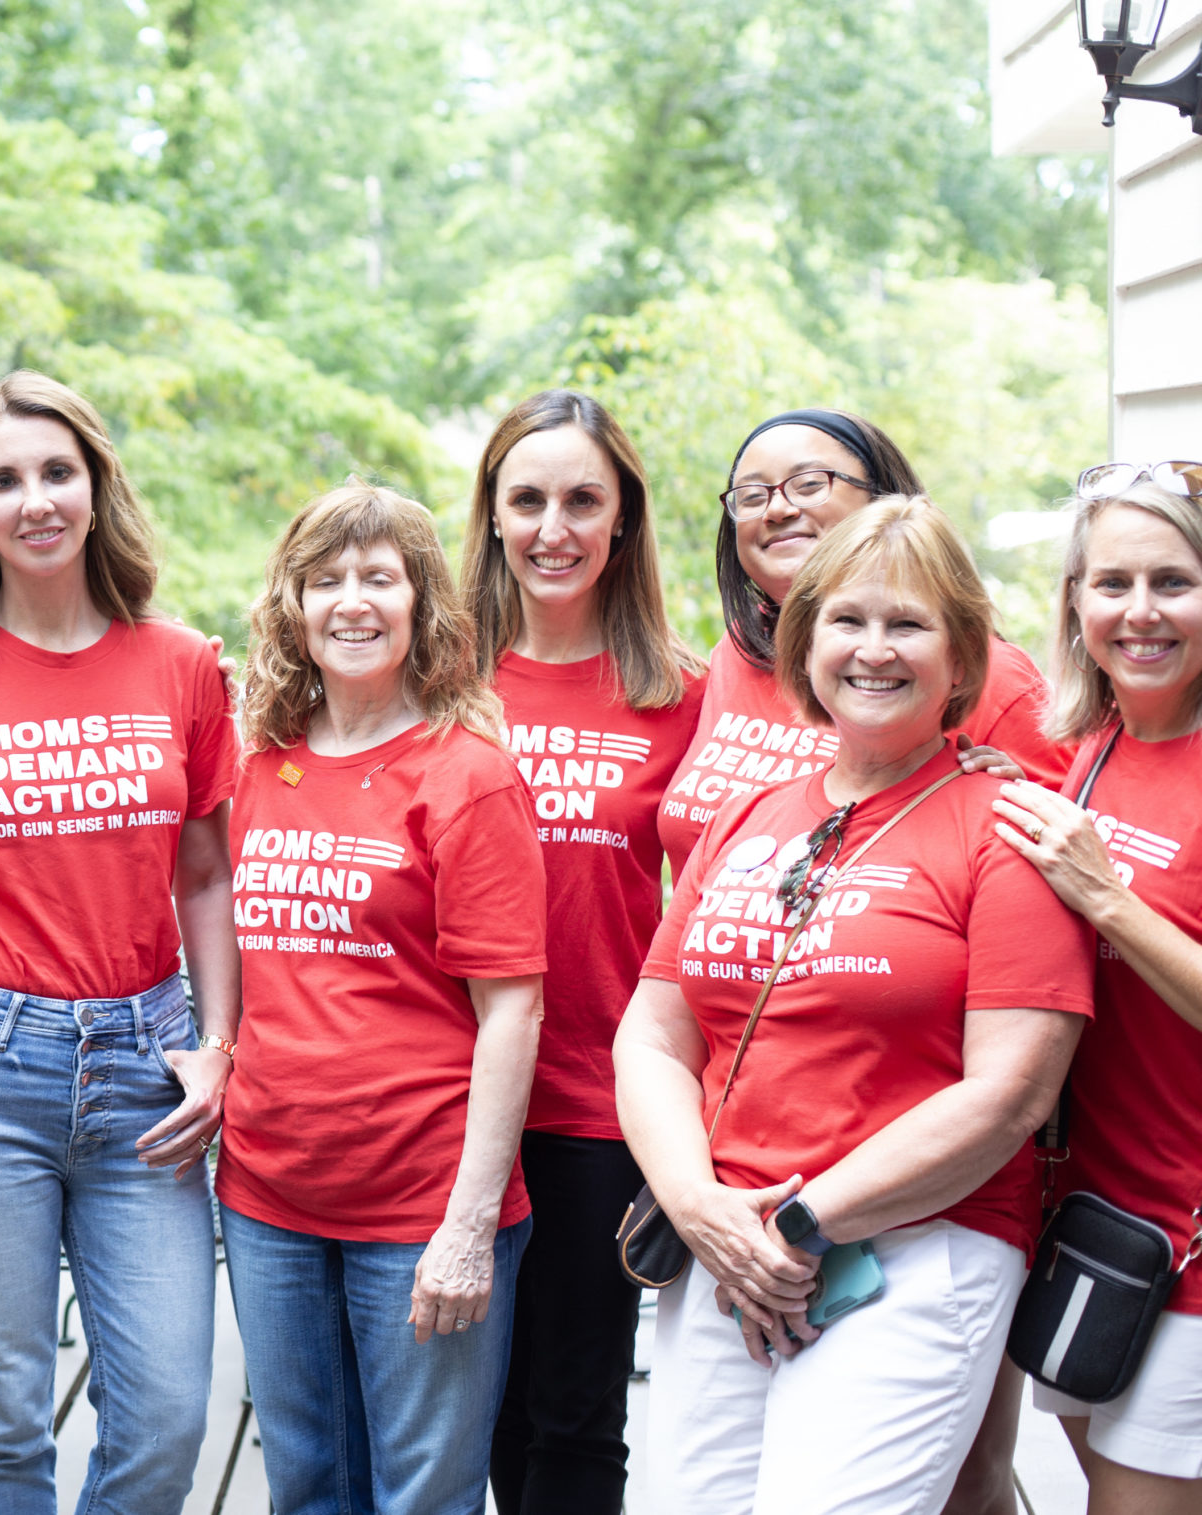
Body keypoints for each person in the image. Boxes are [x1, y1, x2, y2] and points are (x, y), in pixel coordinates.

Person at [618, 495, 1094, 1515]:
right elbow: (654, 1035)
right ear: (803, 641)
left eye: (907, 624)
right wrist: (701, 1207)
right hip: (727, 1245)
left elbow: (1009, 1093)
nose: (871, 649)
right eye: (846, 620)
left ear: (961, 659)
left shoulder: (1003, 828)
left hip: (917, 1251)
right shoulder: (751, 815)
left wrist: (799, 1224)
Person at [0, 370, 240, 1513]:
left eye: (55, 472)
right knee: (4, 1423)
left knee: (168, 1413)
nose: (34, 500)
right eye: (4, 480)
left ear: (94, 484)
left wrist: (218, 1045)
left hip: (145, 1072)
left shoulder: (179, 663)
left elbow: (207, 874)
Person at [218, 477, 545, 1515]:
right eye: (325, 581)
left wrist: (467, 1223)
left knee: (422, 1497)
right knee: (307, 1483)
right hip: (270, 1194)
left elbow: (512, 1011)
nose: (350, 602)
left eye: (378, 578)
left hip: (420, 1201)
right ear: (293, 606)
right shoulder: (263, 761)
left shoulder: (466, 775)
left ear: (424, 603)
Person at [459, 392, 702, 1515]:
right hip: (441, 1096)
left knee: (572, 1413)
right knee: (466, 1409)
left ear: (622, 522)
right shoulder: (437, 683)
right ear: (493, 517)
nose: (552, 528)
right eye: (527, 500)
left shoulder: (682, 699)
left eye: (581, 501)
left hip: (597, 1107)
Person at [991, 462, 1202, 1510]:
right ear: (1074, 601)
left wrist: (1109, 899)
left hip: (1187, 1232)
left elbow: (1105, 907)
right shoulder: (1083, 749)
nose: (1140, 612)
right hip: (1085, 1219)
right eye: (1111, 583)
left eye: (1173, 581)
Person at [657, 409, 1070, 874]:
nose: (776, 510)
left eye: (810, 484)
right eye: (751, 496)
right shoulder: (737, 654)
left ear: (882, 499)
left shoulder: (993, 675)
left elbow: (1064, 861)